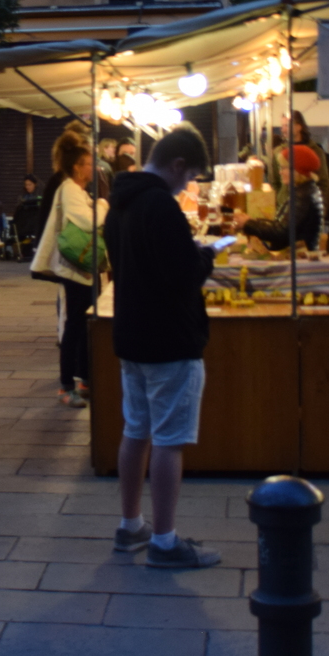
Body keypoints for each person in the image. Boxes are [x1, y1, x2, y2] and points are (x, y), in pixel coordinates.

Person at [105, 124, 221, 569]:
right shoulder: (161, 206)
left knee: (136, 430)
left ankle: (130, 524)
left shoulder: (120, 202)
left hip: (132, 335)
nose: (188, 185)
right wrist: (204, 257)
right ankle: (165, 542)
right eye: (189, 176)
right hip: (170, 339)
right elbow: (182, 276)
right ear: (177, 165)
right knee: (170, 441)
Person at [31, 130, 107, 407]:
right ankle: (66, 386)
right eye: (88, 163)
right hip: (73, 268)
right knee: (75, 325)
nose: (93, 167)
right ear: (77, 167)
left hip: (82, 267)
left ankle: (84, 378)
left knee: (83, 324)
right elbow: (88, 221)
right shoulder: (70, 189)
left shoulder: (76, 190)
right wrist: (103, 204)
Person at [235, 143, 326, 252]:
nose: (280, 172)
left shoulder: (303, 196)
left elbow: (281, 232)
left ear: (296, 171)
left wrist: (247, 224)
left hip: (298, 258)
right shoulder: (304, 190)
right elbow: (281, 226)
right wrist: (252, 221)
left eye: (283, 168)